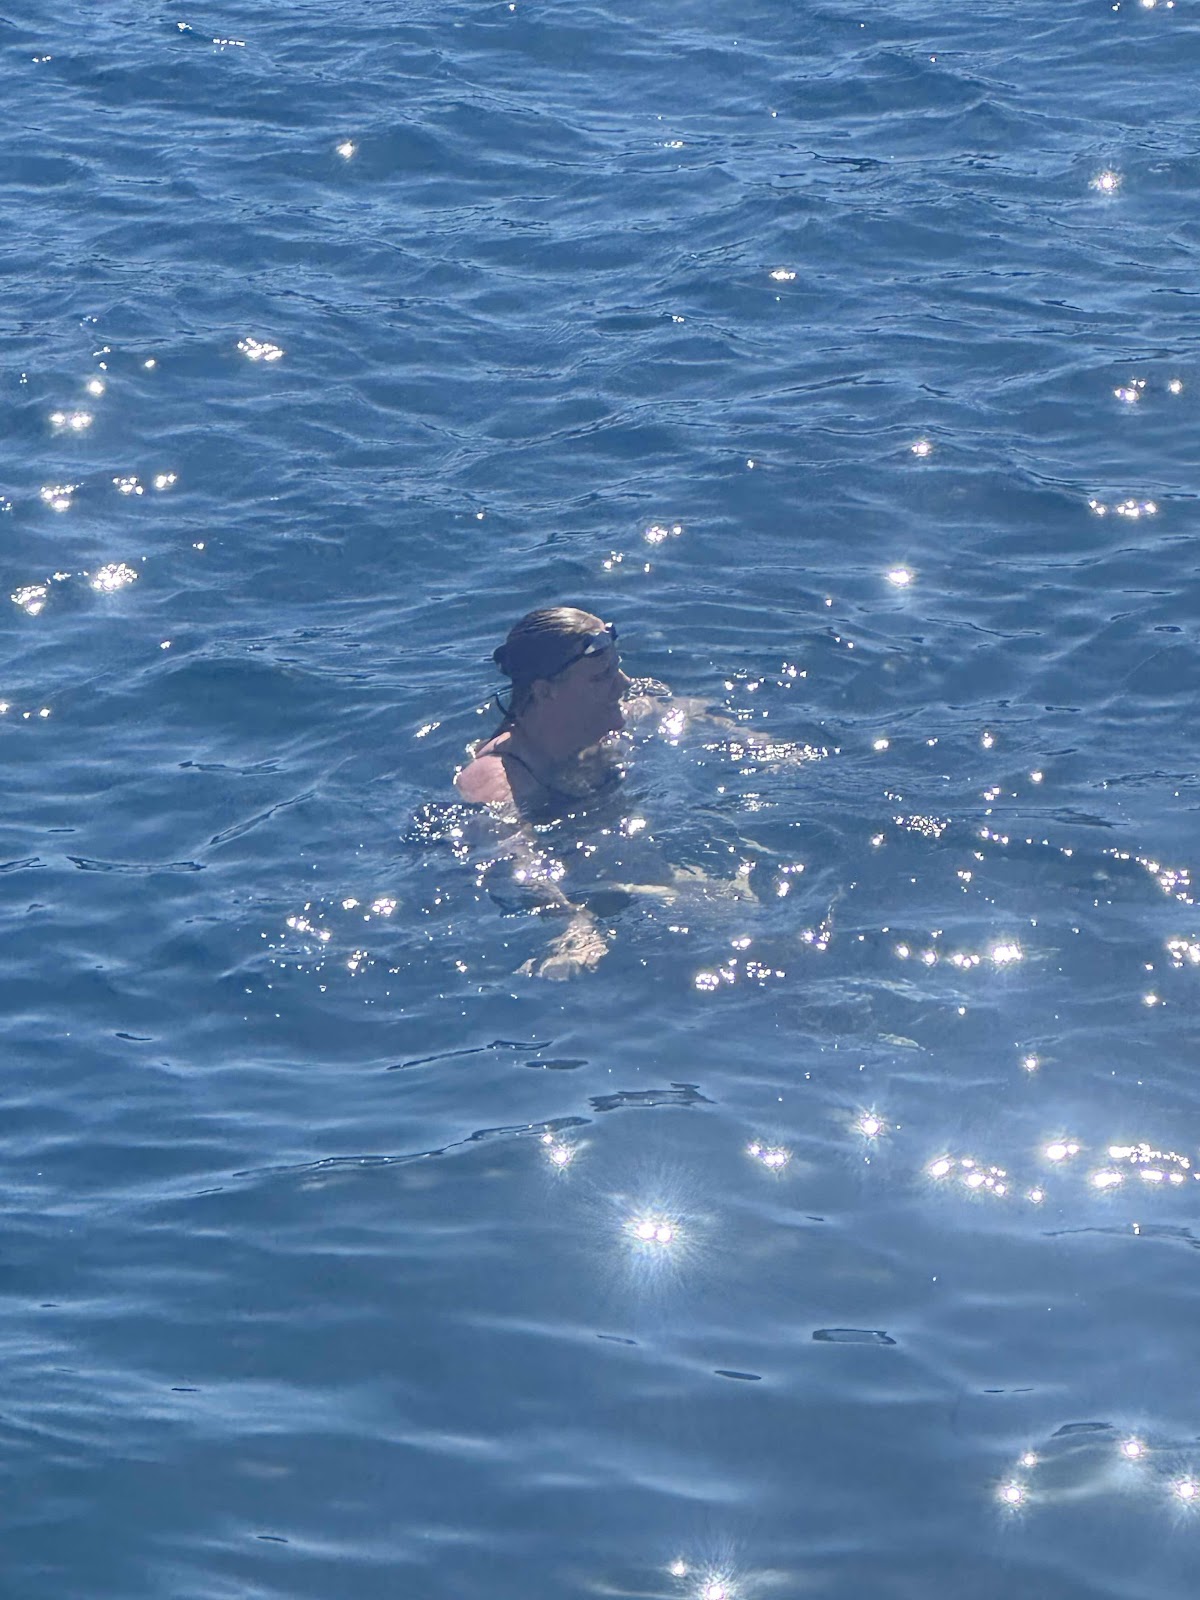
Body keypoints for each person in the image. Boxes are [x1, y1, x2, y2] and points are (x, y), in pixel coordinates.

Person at [455, 606, 641, 979]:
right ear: (544, 691)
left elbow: (686, 711)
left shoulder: (607, 723)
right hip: (574, 889)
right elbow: (512, 862)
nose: (624, 685)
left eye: (617, 668)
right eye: (602, 676)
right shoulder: (499, 778)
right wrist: (570, 924)